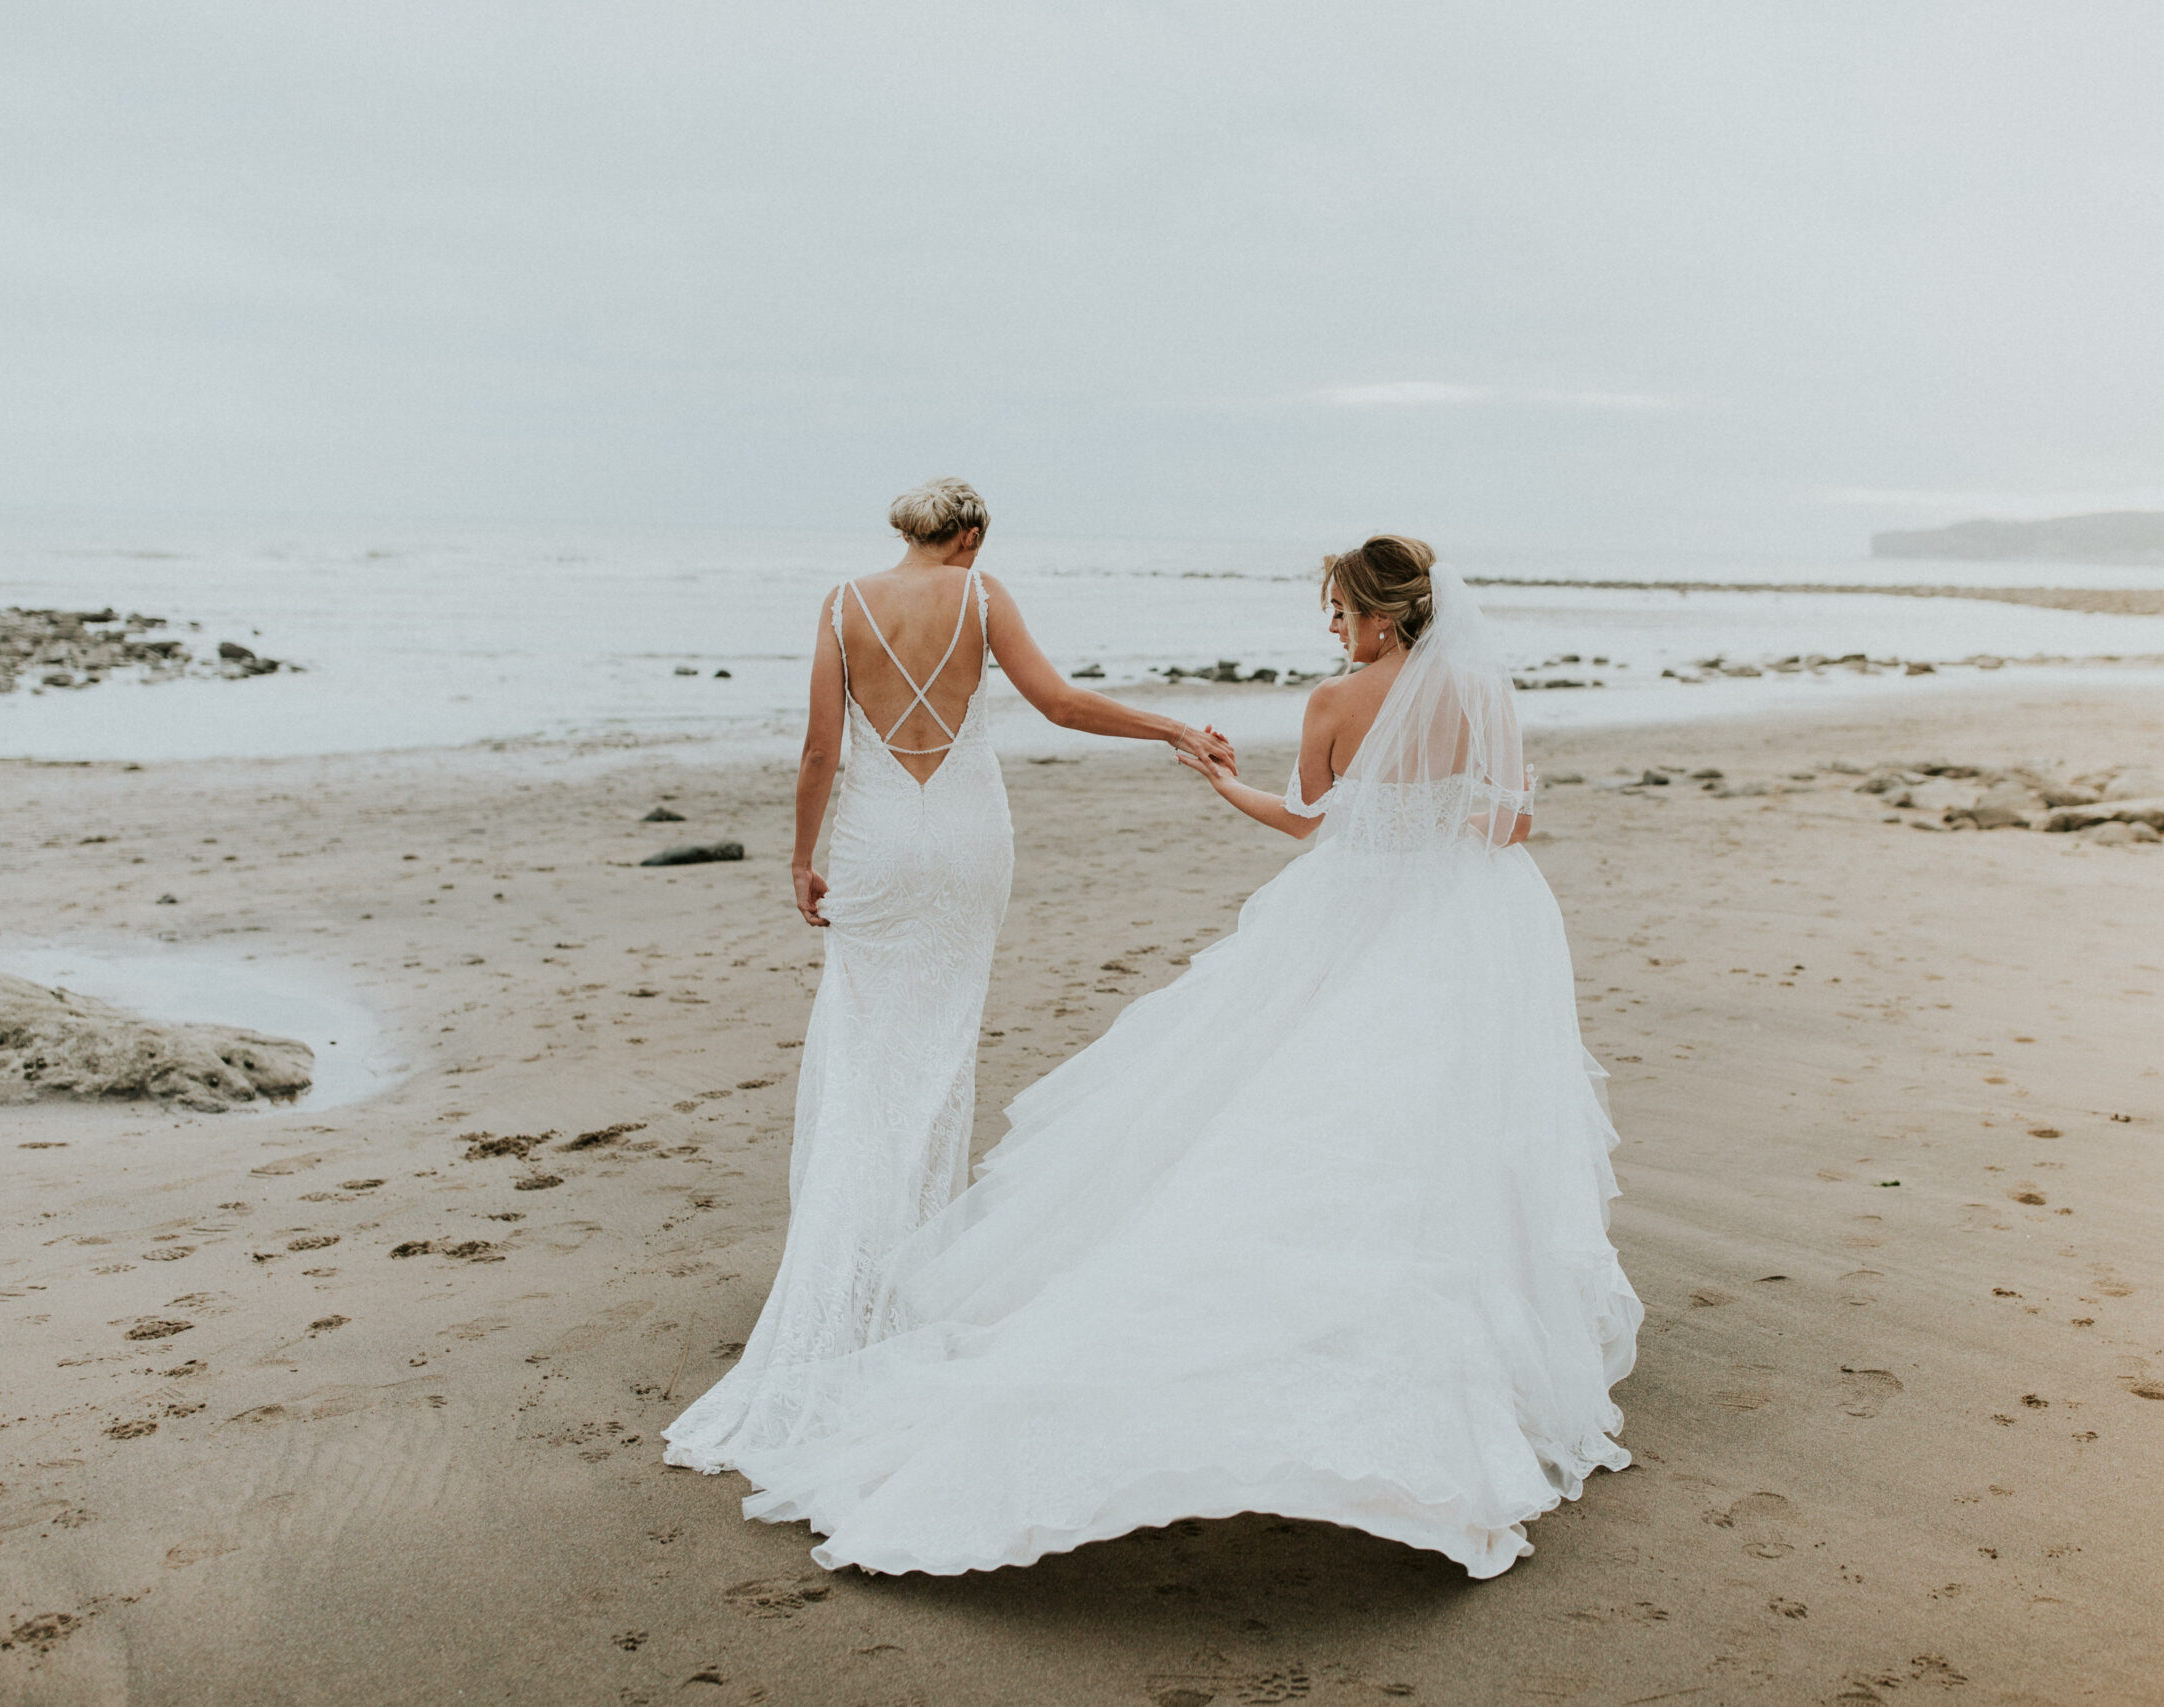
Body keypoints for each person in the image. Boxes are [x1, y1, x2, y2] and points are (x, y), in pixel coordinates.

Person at [673, 532, 1641, 1580]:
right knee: (1451, 1127)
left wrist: (1215, 775)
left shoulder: (1330, 707)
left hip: (1350, 920)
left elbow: (1305, 826)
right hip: (1465, 930)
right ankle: (1472, 1355)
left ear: (1378, 615)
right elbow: (1509, 828)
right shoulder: (1486, 699)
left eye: (1338, 611)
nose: (1331, 628)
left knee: (1293, 1118)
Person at [665, 478, 1233, 1475]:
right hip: (969, 835)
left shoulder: (843, 604)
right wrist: (1174, 728)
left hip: (879, 841)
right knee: (939, 1048)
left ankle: (856, 1272)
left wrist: (801, 859)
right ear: (967, 535)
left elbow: (818, 751)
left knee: (869, 1048)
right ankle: (907, 1271)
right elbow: (1057, 702)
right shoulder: (981, 595)